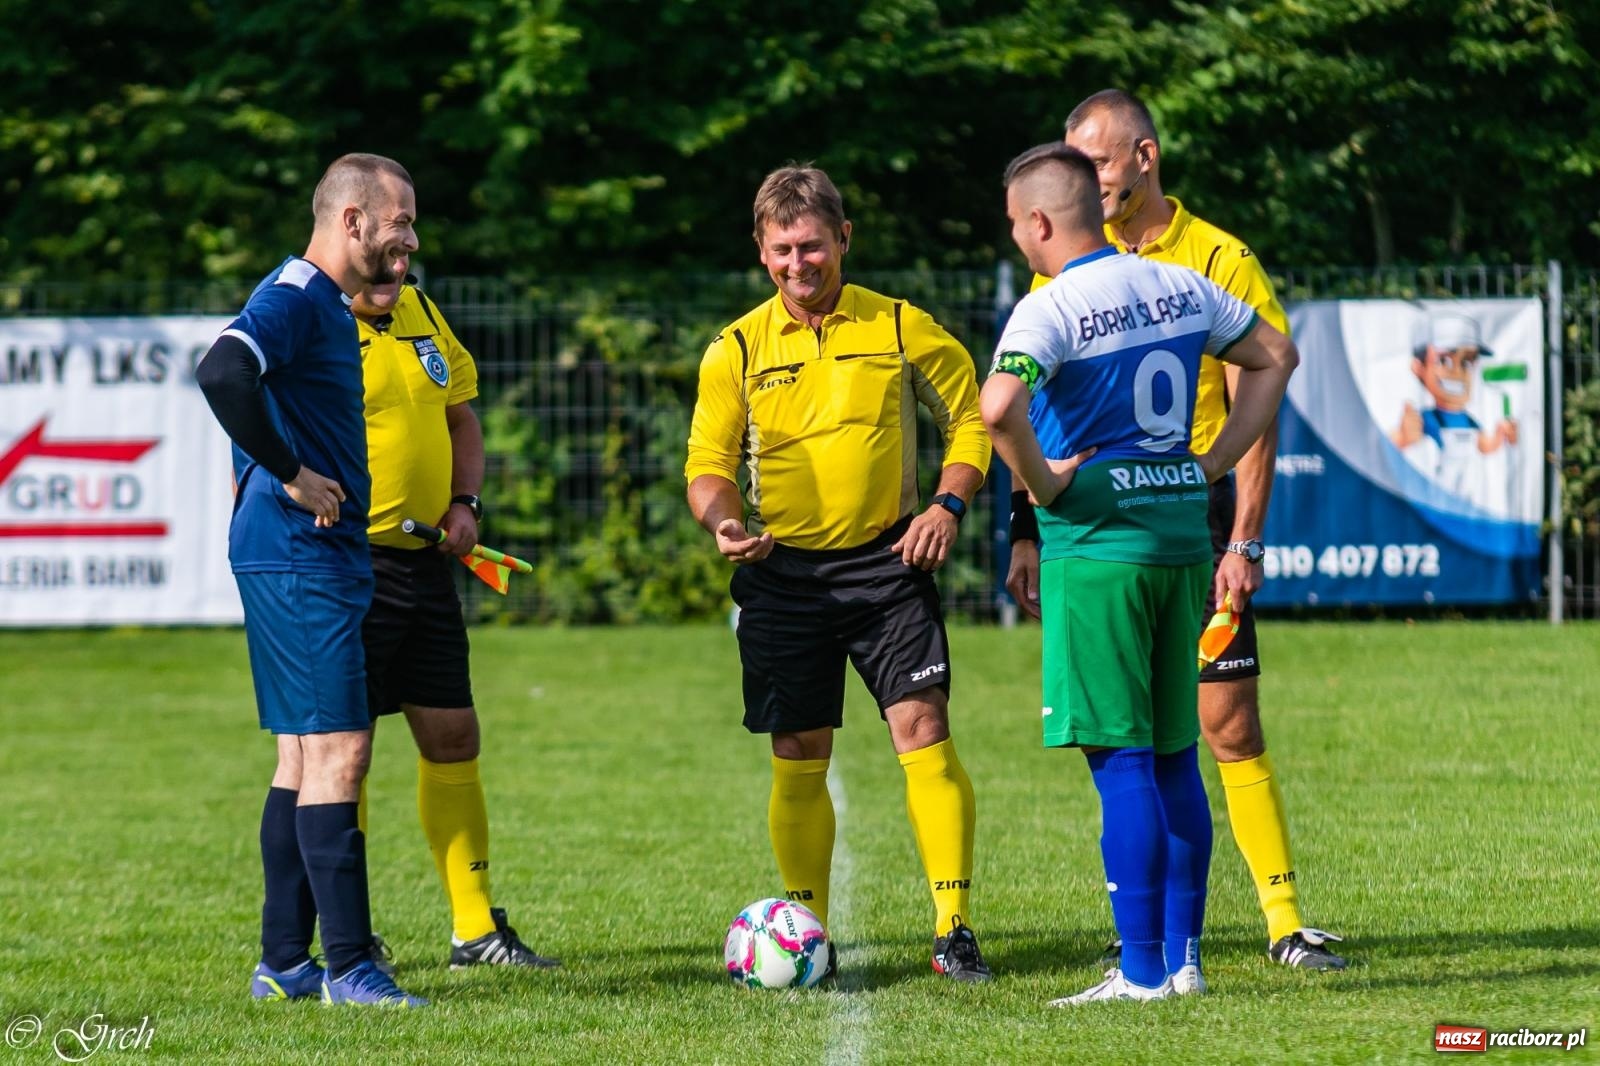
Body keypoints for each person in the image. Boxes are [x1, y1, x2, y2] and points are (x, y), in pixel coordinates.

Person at [1006, 89, 1348, 970]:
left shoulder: (1211, 259)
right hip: (1149, 522)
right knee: (1168, 744)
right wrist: (1023, 529)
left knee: (1187, 734)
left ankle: (1238, 936)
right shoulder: (1093, 276)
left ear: (1144, 157)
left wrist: (1241, 531)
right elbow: (1042, 406)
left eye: (1098, 159)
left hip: (1161, 524)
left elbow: (1258, 393)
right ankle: (1172, 946)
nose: (1088, 176)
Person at [685, 164, 994, 982]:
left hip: (890, 565)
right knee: (798, 747)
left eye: (813, 246)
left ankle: (953, 927)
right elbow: (707, 464)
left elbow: (971, 420)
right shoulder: (736, 348)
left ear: (844, 238)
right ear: (761, 251)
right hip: (782, 576)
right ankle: (803, 931)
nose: (799, 264)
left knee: (923, 728)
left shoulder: (899, 325)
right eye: (783, 250)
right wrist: (723, 522)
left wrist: (947, 506)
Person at [196, 153, 427, 1006]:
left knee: (302, 753)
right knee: (341, 749)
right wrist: (291, 472)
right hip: (300, 550)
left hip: (306, 552)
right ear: (352, 220)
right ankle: (351, 968)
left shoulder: (326, 301)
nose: (410, 241)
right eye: (400, 223)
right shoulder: (296, 293)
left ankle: (286, 961)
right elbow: (222, 370)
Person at [353, 272, 558, 969]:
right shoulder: (308, 317)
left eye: (406, 250)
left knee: (453, 734)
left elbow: (460, 417)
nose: (397, 269)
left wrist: (465, 502)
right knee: (342, 753)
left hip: (424, 565)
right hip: (345, 567)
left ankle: (474, 930)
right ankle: (347, 935)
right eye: (386, 252)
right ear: (349, 234)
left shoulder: (421, 308)